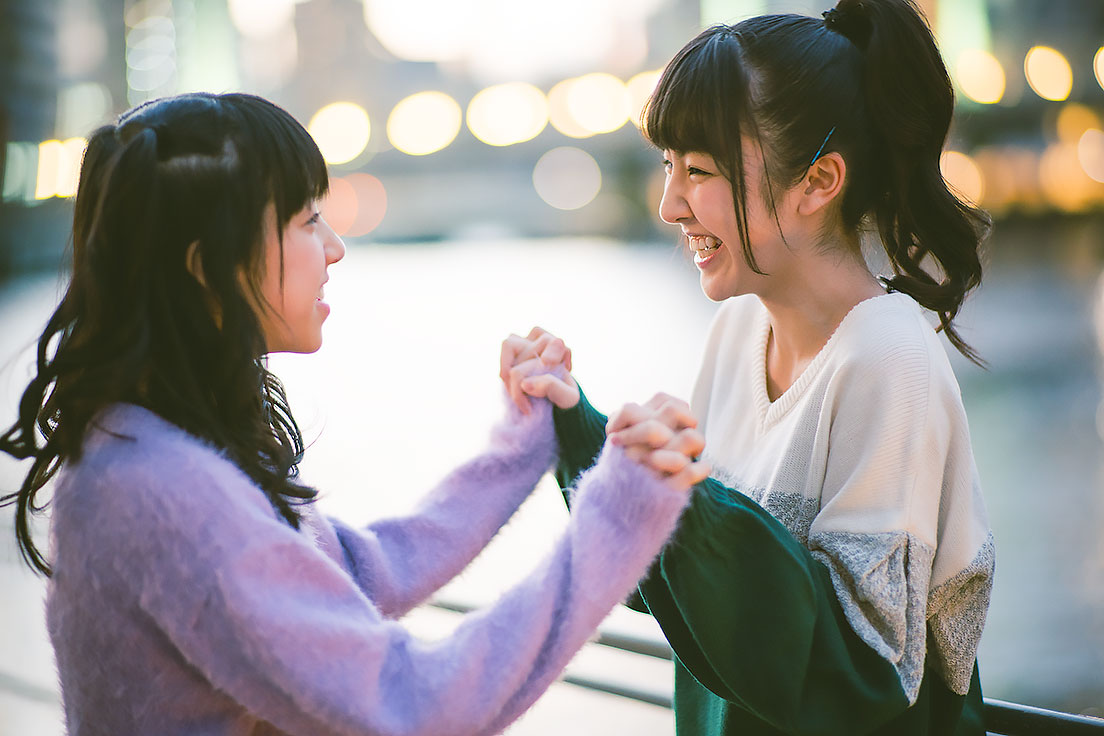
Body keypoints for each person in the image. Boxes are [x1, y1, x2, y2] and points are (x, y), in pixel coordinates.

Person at [0, 92, 711, 735]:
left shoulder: (142, 444)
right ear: (203, 266)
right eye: (308, 221)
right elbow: (414, 704)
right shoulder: (162, 494)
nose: (335, 248)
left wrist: (522, 445)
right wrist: (620, 513)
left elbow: (361, 570)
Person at [500, 1, 995, 733]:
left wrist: (683, 499)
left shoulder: (888, 358)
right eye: (669, 166)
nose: (670, 204)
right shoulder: (737, 330)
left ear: (819, 181)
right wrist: (580, 428)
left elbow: (864, 674)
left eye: (699, 170)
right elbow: (689, 585)